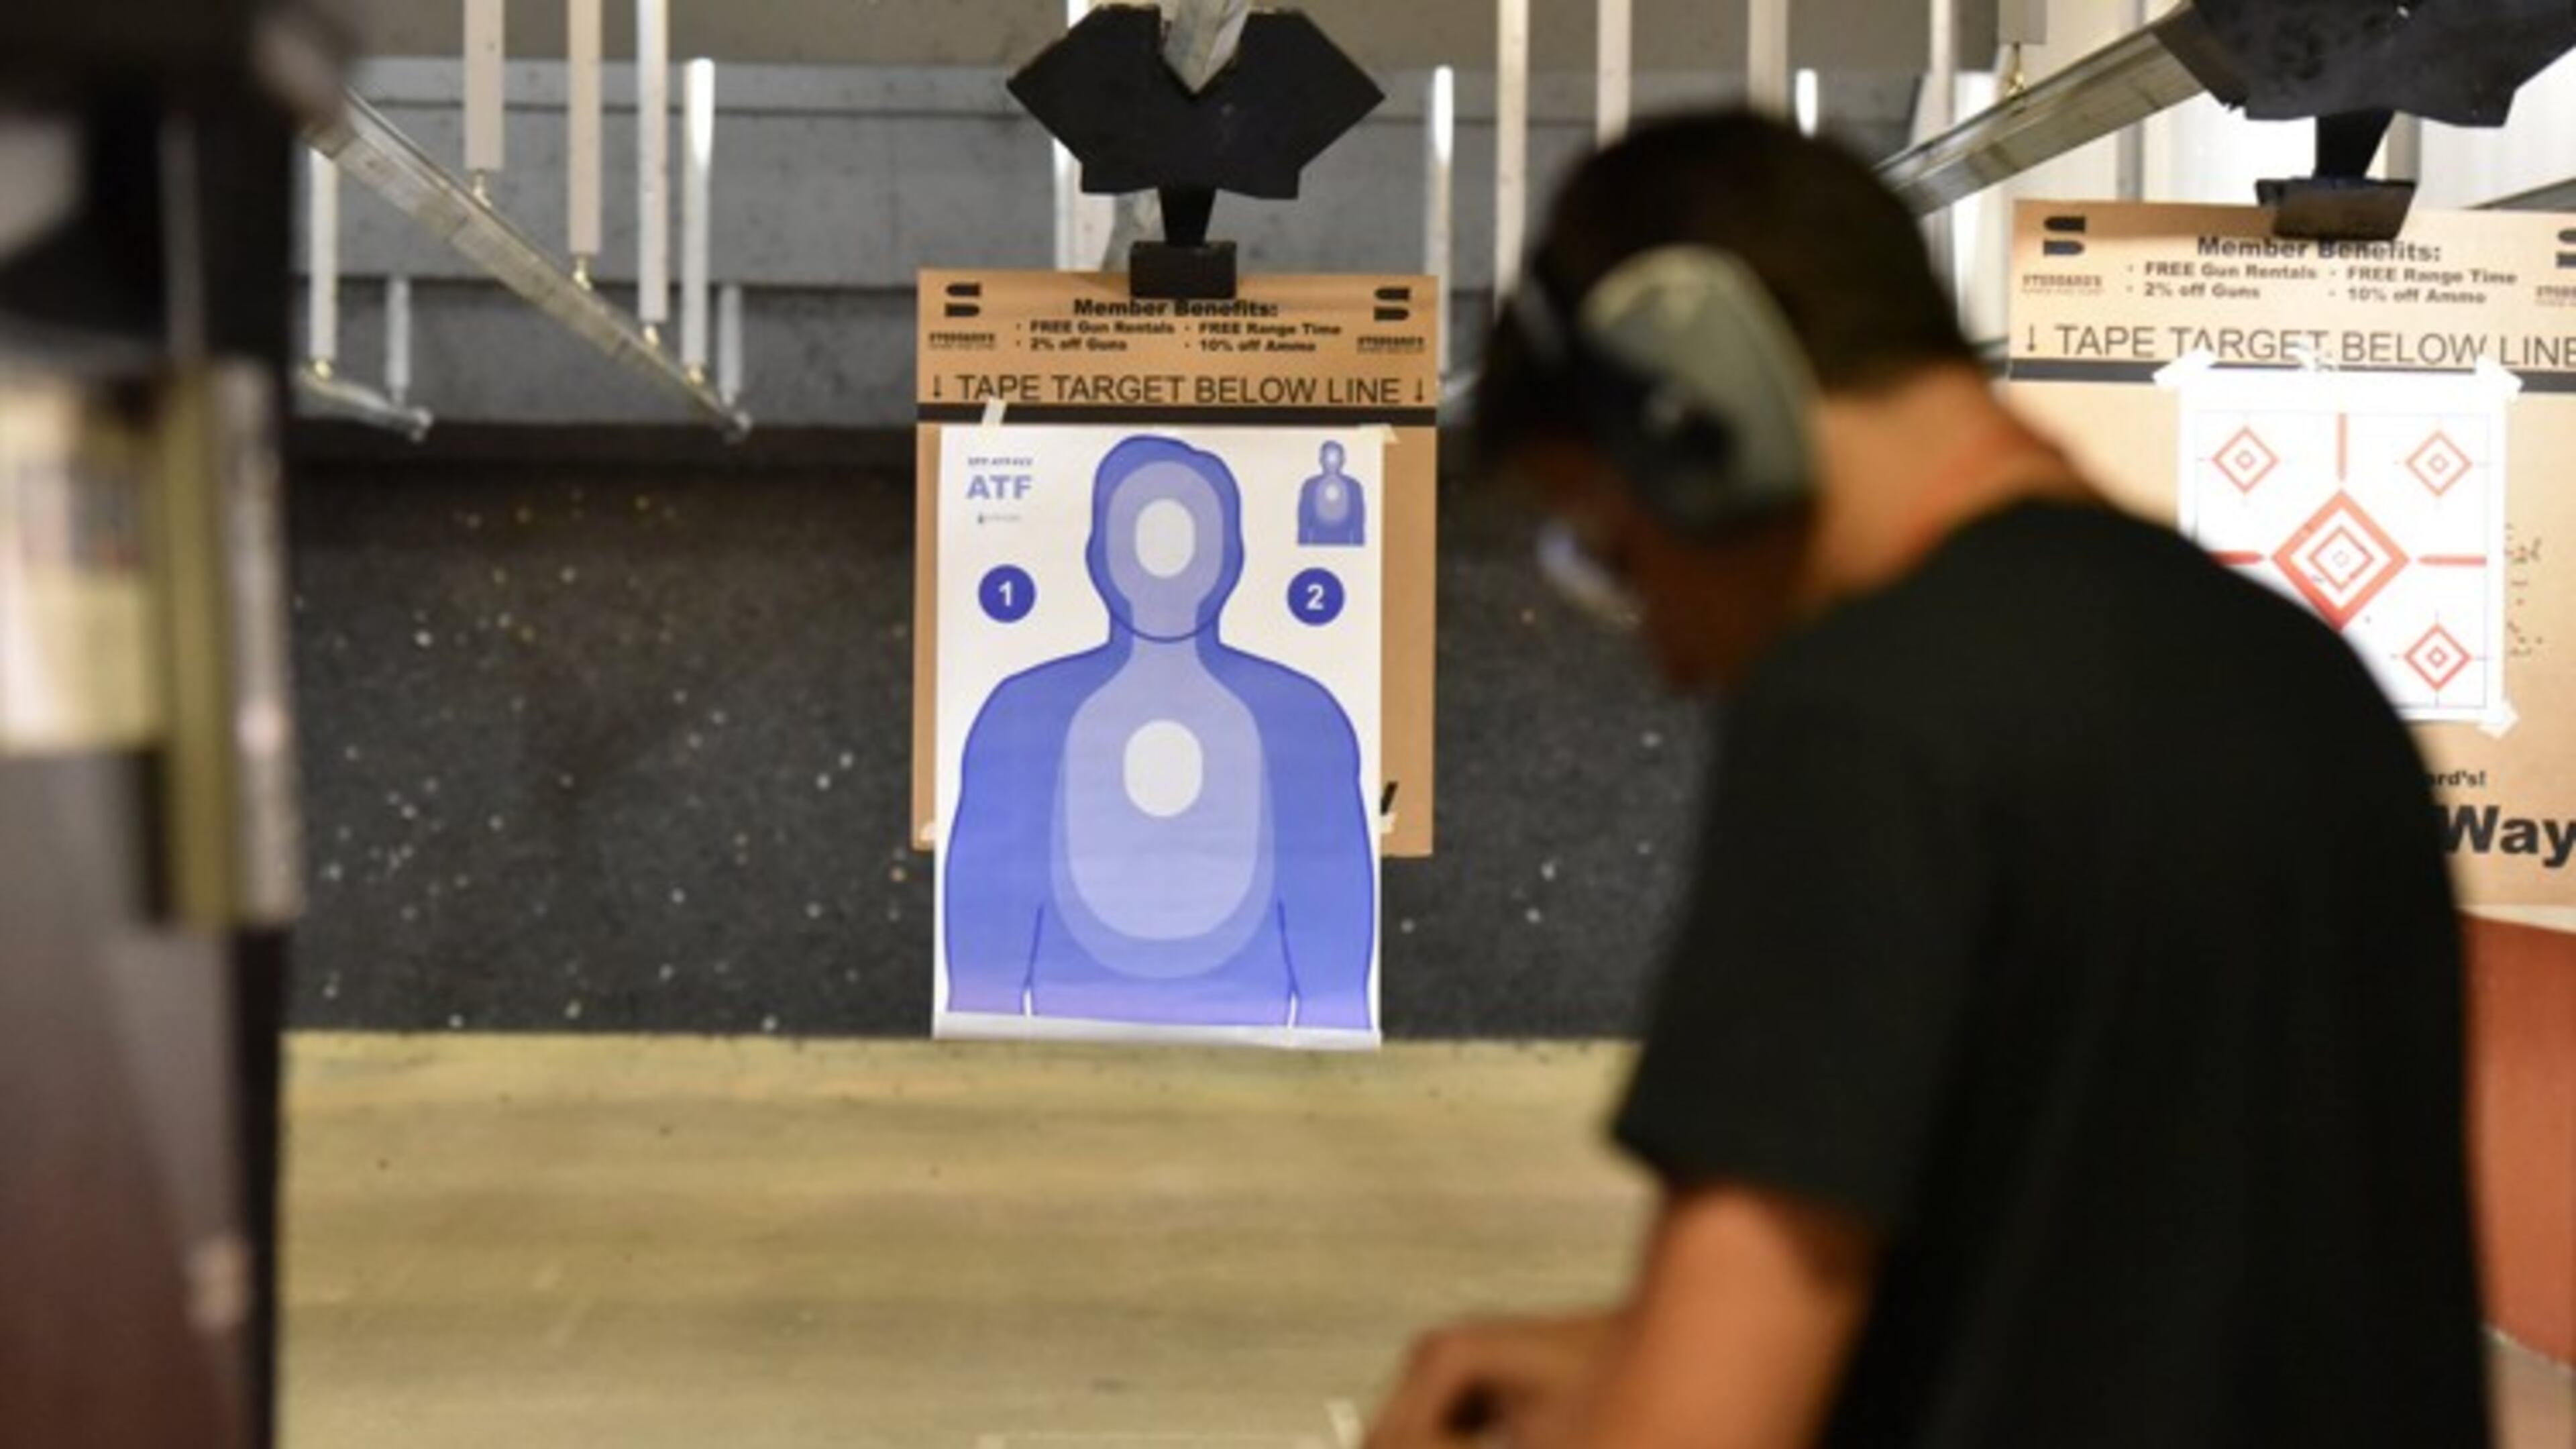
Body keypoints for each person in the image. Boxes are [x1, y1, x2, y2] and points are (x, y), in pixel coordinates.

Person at [1366, 112, 2489, 1448]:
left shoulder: (1869, 719)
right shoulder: (2308, 688)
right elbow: (2140, 1301)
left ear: (1696, 421)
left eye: (1613, 545)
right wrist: (1610, 1355)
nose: (1658, 645)